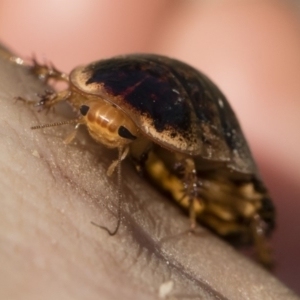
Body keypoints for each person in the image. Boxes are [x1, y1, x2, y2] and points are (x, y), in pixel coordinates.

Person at [0, 1, 299, 298]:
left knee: (252, 214)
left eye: (123, 129)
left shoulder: (180, 148)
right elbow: (70, 85)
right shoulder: (88, 88)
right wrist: (37, 101)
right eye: (88, 109)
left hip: (208, 185)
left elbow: (189, 160)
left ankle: (268, 264)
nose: (98, 124)